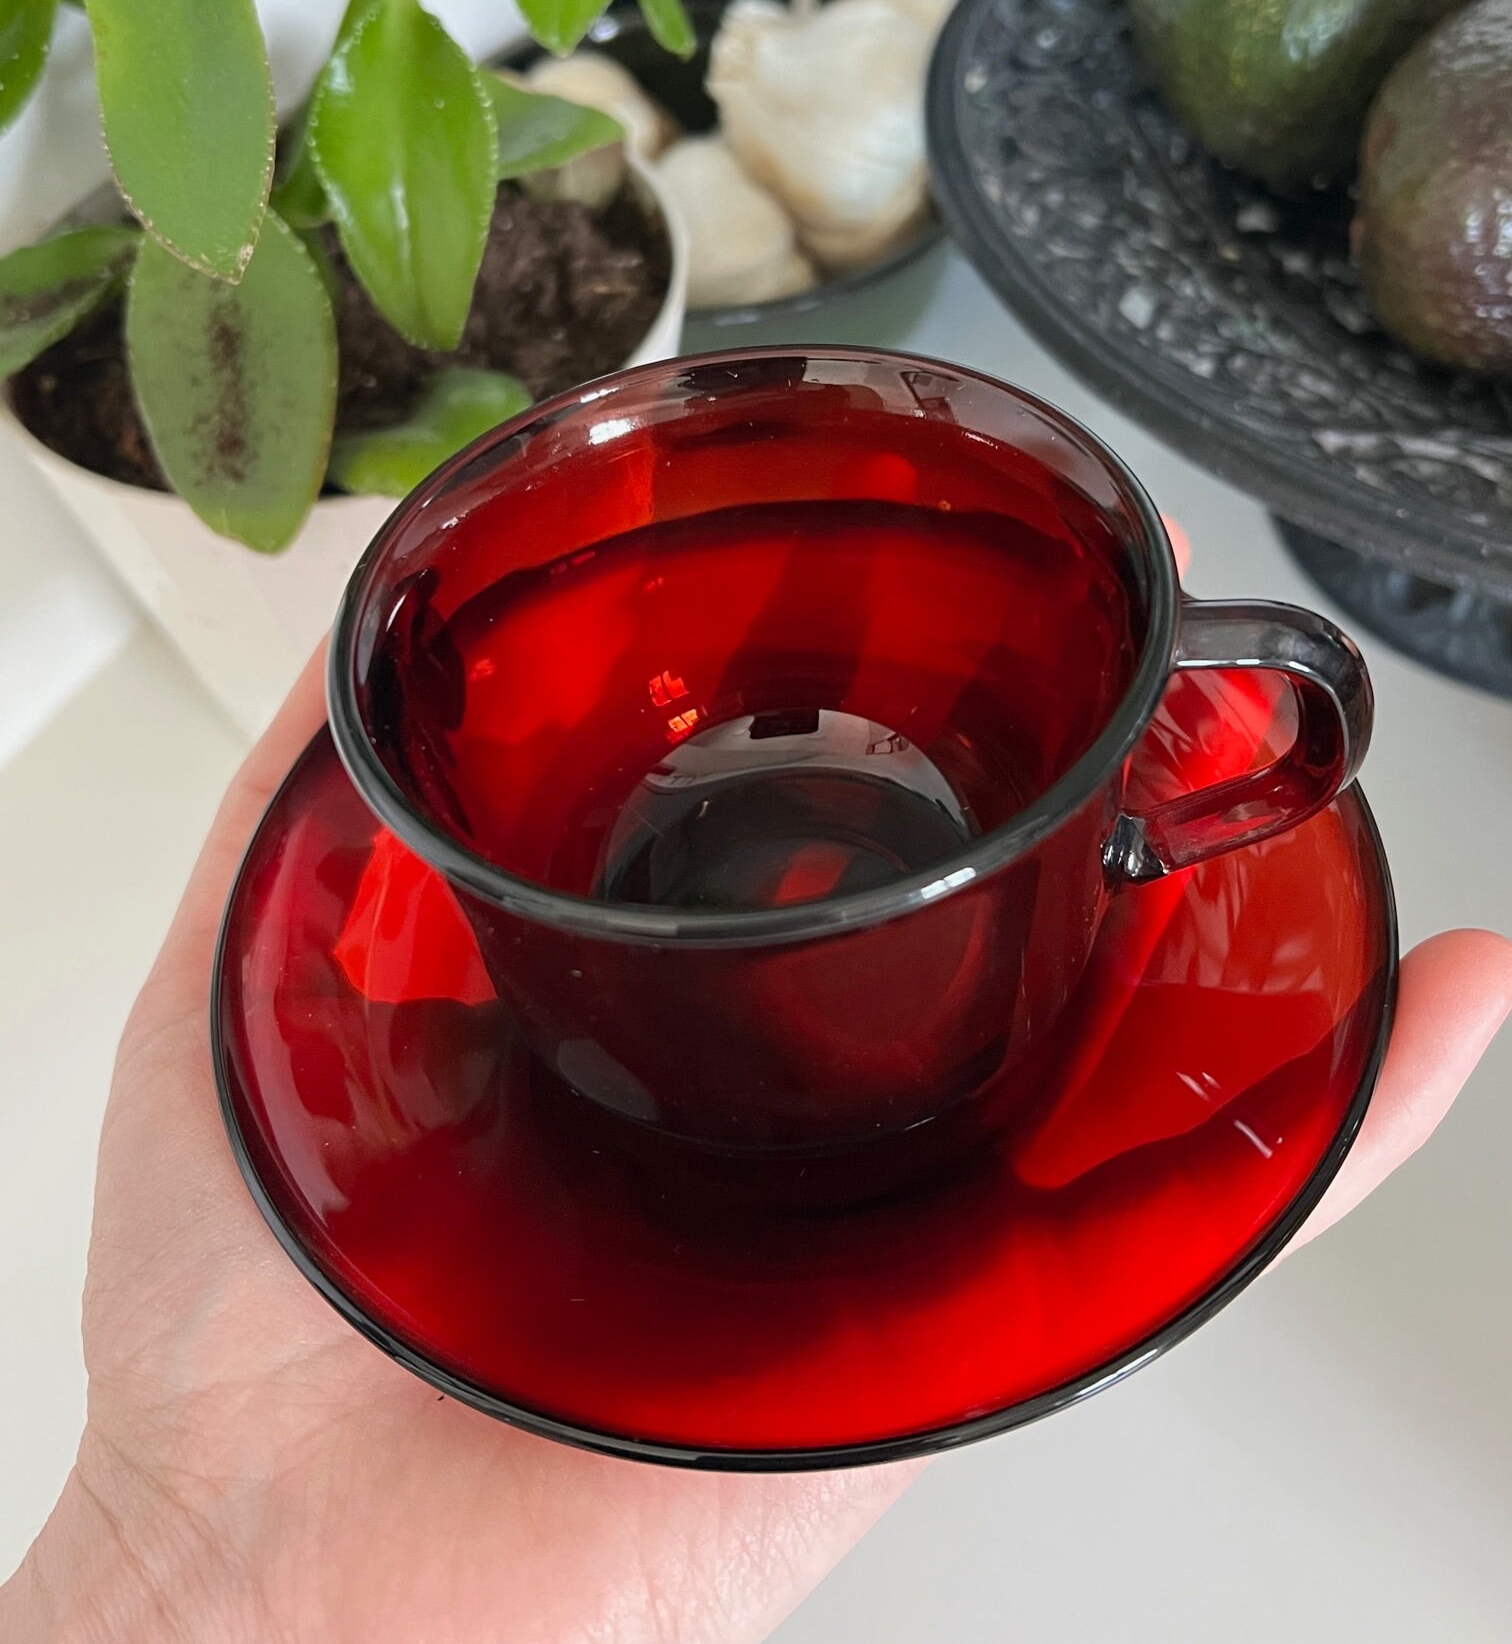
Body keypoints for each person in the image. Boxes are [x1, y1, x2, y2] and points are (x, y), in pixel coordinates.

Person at [3, 642, 1510, 1644]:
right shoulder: (402, 1078)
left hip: (970, 1110)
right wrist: (178, 1571)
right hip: (644, 1149)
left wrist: (182, 1583)